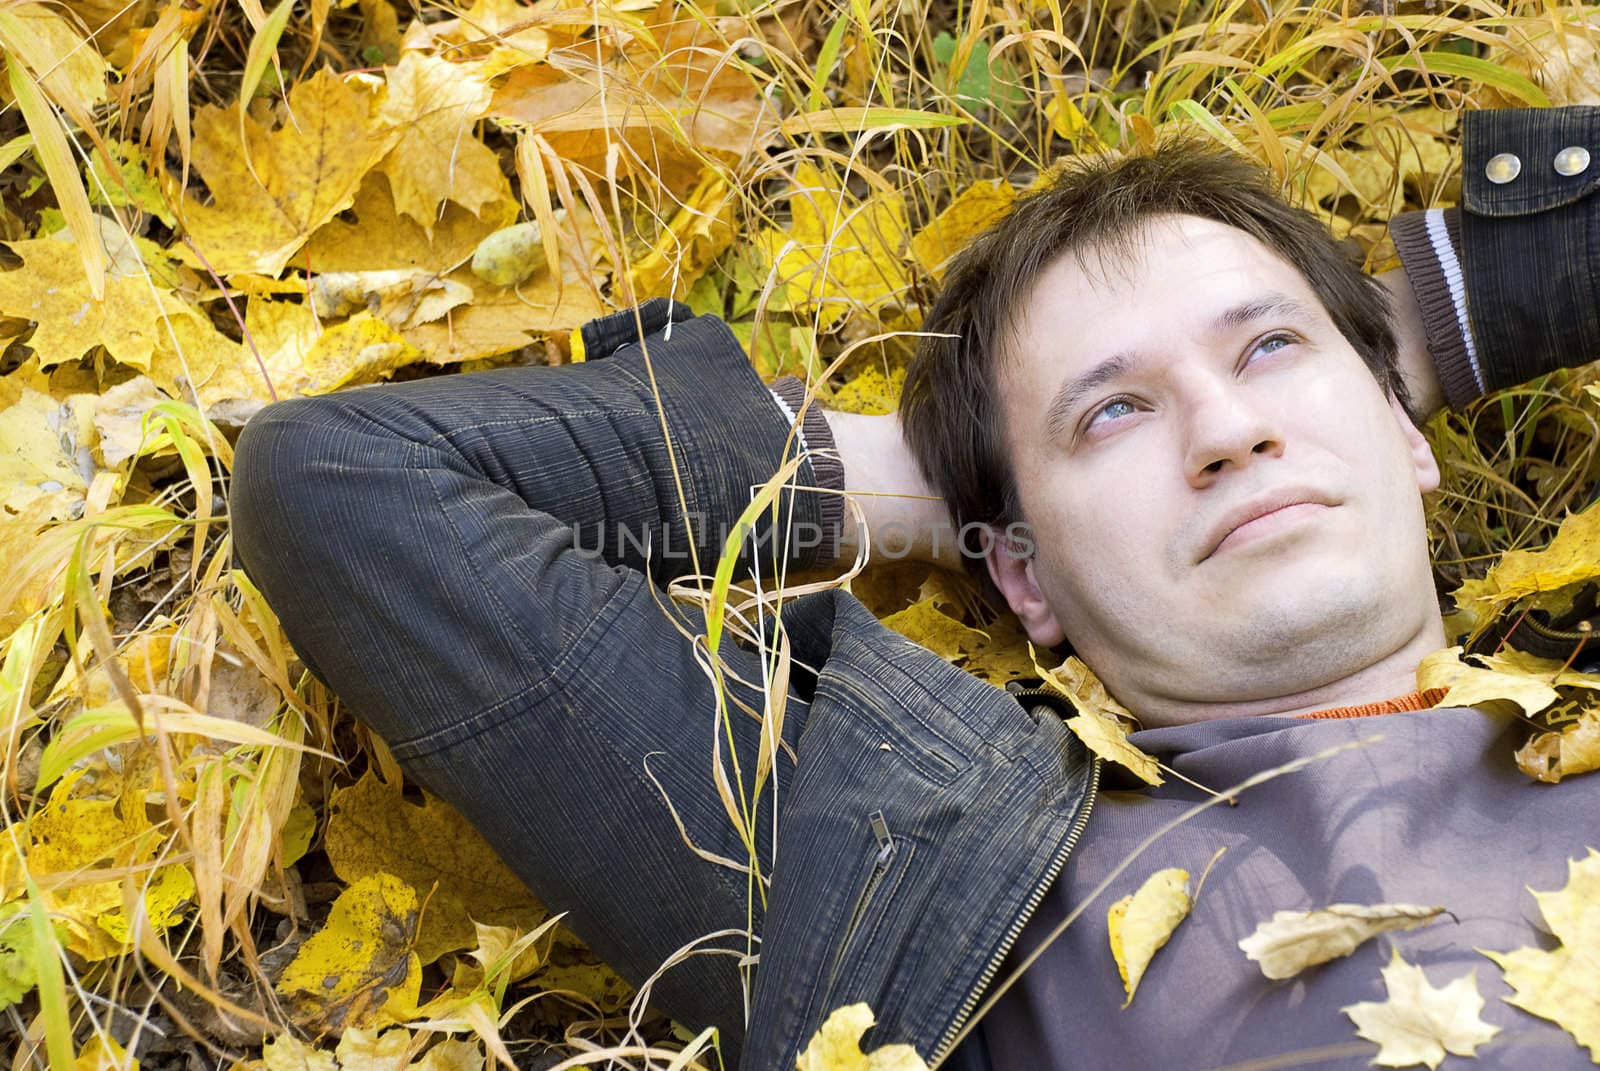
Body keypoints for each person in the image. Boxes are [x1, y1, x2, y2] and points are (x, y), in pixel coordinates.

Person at [230, 106, 1600, 1070]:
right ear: (1018, 570)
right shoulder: (902, 862)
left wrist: (1442, 318)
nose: (1227, 430)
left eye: (1272, 352)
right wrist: (895, 475)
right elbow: (350, 487)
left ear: (1411, 429)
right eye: (1111, 415)